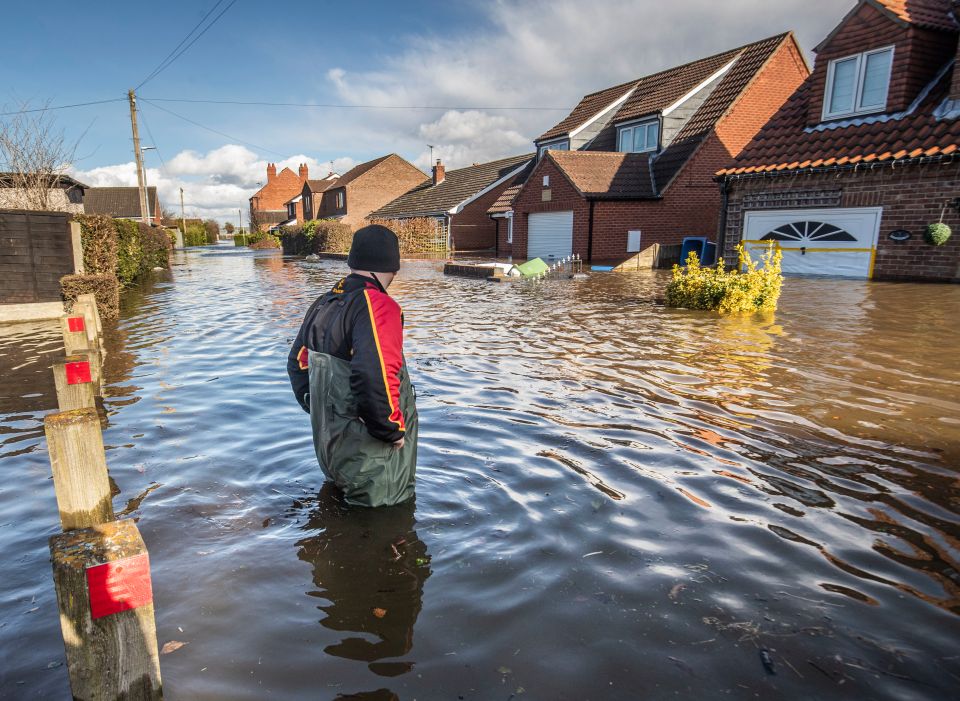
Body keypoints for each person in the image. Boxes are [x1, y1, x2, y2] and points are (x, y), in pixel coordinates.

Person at [287, 224, 418, 507]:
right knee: (386, 531)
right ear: (392, 266)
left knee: (338, 520)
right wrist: (390, 430)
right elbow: (375, 373)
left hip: (330, 448)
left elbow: (297, 365)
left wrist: (320, 409)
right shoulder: (379, 305)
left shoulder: (323, 303)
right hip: (369, 458)